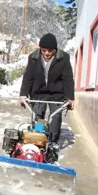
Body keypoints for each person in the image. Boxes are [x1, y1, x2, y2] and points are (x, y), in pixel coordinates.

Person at [19, 33, 75, 163]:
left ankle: (52, 144)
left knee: (55, 118)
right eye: (44, 50)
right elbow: (28, 77)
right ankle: (38, 143)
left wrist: (69, 98)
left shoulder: (63, 58)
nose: (47, 53)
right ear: (40, 49)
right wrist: (23, 95)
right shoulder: (33, 57)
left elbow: (67, 78)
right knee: (37, 117)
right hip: (38, 92)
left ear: (55, 49)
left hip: (56, 93)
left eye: (50, 50)